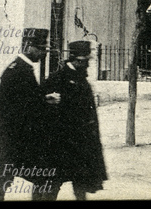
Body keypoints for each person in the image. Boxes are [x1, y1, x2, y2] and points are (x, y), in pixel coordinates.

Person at [0, 29, 60, 201]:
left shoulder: (21, 68)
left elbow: (22, 100)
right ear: (29, 47)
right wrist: (43, 103)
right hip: (14, 137)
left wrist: (43, 99)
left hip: (16, 136)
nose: (43, 53)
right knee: (11, 177)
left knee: (8, 177)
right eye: (41, 49)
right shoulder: (19, 71)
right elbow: (11, 106)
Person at [42, 40, 108, 200]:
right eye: (85, 61)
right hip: (60, 146)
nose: (87, 65)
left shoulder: (81, 79)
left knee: (80, 186)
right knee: (53, 185)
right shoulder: (57, 78)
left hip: (80, 145)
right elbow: (42, 110)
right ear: (76, 60)